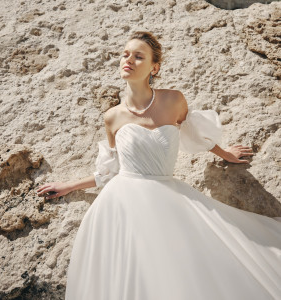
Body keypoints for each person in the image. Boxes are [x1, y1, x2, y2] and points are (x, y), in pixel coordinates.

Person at [37, 31, 281, 299]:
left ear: (154, 67)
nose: (128, 59)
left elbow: (194, 134)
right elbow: (112, 169)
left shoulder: (173, 100)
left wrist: (225, 153)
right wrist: (70, 185)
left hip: (167, 194)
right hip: (121, 204)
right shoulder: (112, 117)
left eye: (138, 56)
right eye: (125, 54)